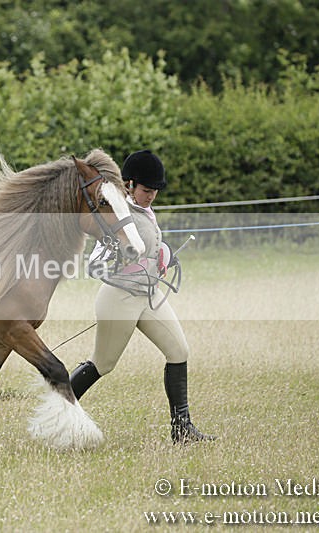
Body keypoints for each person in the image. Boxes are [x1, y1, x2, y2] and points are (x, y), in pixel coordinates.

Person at [69, 149, 215, 444]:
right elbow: (95, 263)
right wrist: (121, 260)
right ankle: (59, 408)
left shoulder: (145, 211)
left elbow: (149, 245)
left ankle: (182, 429)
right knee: (103, 364)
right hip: (119, 298)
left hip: (148, 296)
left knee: (179, 351)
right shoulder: (117, 213)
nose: (151, 196)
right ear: (130, 184)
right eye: (146, 190)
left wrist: (163, 255)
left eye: (155, 191)